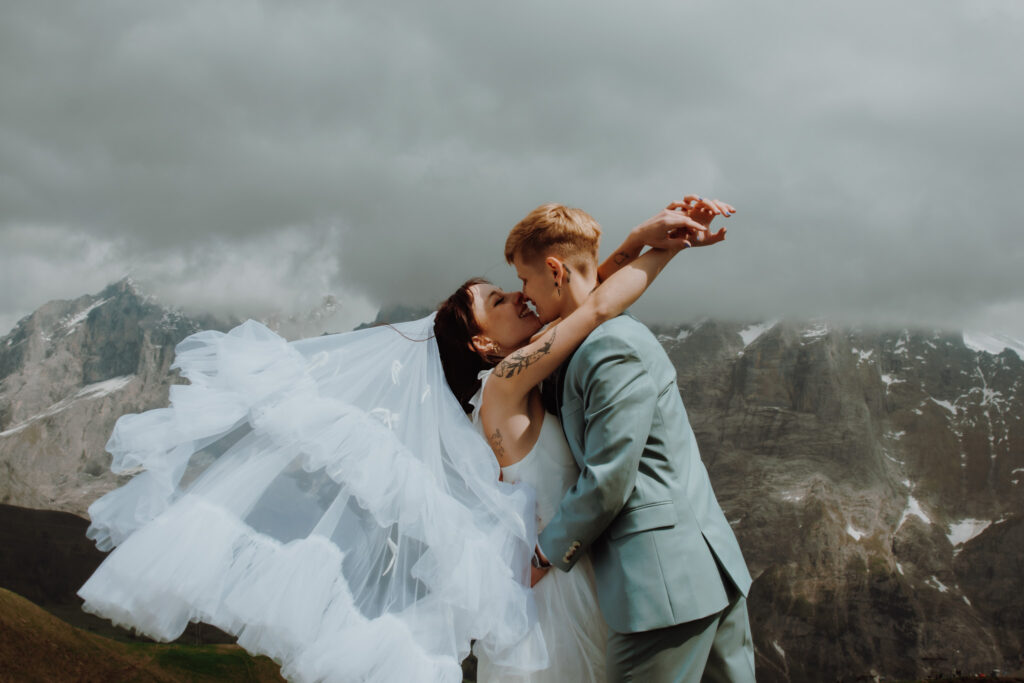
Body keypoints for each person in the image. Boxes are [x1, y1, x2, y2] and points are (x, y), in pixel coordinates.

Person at [433, 197, 731, 682]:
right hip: (556, 587)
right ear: (484, 345)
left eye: (516, 285)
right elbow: (594, 306)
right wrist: (667, 245)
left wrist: (632, 243)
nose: (518, 296)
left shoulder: (527, 361)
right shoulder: (505, 381)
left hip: (579, 572)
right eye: (499, 301)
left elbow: (577, 292)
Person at [503, 203, 756, 682]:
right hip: (702, 575)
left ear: (554, 271)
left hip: (662, 590)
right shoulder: (594, 334)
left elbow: (610, 477)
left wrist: (543, 555)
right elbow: (591, 295)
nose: (525, 294)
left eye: (524, 279)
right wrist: (641, 239)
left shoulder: (608, 347)